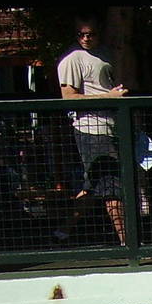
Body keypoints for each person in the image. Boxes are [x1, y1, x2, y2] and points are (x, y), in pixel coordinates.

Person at [56, 18, 129, 245]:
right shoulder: (72, 60)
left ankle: (62, 232)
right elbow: (69, 97)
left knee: (93, 184)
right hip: (90, 129)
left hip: (112, 127)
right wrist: (110, 97)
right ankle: (129, 244)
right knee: (111, 186)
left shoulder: (105, 55)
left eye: (91, 34)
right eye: (81, 34)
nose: (86, 38)